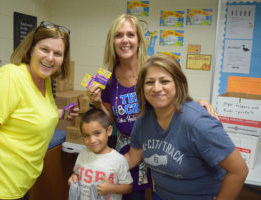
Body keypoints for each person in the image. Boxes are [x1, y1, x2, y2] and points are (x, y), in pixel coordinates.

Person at [87, 14, 218, 200]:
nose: (125, 40)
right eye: (118, 35)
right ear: (112, 41)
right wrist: (99, 103)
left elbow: (173, 97)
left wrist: (198, 104)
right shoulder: (107, 78)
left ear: (139, 40)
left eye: (130, 35)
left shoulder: (152, 68)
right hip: (128, 148)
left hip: (160, 146)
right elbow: (110, 120)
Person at [0, 21, 78, 200]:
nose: (50, 58)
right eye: (44, 49)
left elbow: (29, 113)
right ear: (31, 49)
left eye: (57, 53)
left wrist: (60, 113)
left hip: (19, 185)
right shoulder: (10, 76)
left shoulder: (45, 80)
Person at [125, 54, 249, 200]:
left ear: (178, 84)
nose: (157, 88)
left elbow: (239, 170)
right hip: (161, 195)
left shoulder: (198, 123)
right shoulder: (143, 121)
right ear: (142, 88)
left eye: (165, 81)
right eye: (149, 82)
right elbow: (132, 158)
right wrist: (100, 162)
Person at [68, 108, 133, 200]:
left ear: (109, 131)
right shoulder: (83, 153)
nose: (92, 140)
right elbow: (76, 173)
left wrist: (112, 188)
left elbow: (128, 187)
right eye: (86, 136)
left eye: (97, 133)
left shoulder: (118, 160)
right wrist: (74, 177)